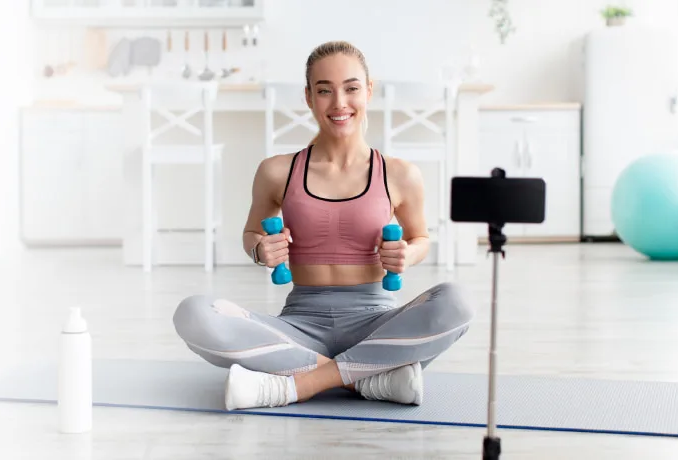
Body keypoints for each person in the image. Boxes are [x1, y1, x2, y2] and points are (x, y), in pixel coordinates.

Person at [173, 40, 474, 411]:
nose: (339, 103)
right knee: (194, 313)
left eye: (351, 88)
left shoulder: (399, 174)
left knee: (458, 302)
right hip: (300, 328)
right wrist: (259, 249)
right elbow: (251, 234)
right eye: (324, 91)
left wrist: (407, 255)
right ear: (308, 97)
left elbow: (421, 238)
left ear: (369, 90)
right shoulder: (276, 171)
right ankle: (371, 380)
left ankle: (294, 385)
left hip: (377, 326)